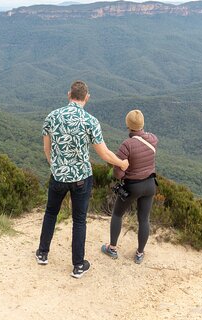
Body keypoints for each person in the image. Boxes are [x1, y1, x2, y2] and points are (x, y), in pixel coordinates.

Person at [35, 80, 129, 278]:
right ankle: (78, 265)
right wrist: (121, 163)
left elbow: (47, 148)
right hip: (81, 177)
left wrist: (56, 166)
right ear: (87, 97)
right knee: (79, 220)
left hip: (58, 174)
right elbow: (104, 154)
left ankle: (42, 253)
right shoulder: (90, 121)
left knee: (51, 213)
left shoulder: (52, 116)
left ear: (69, 94)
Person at [101, 109, 158, 264]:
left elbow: (118, 172)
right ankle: (140, 253)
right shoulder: (153, 139)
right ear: (142, 124)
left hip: (133, 186)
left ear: (128, 125)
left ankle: (112, 248)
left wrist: (123, 173)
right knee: (144, 219)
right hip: (150, 184)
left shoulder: (127, 145)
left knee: (117, 214)